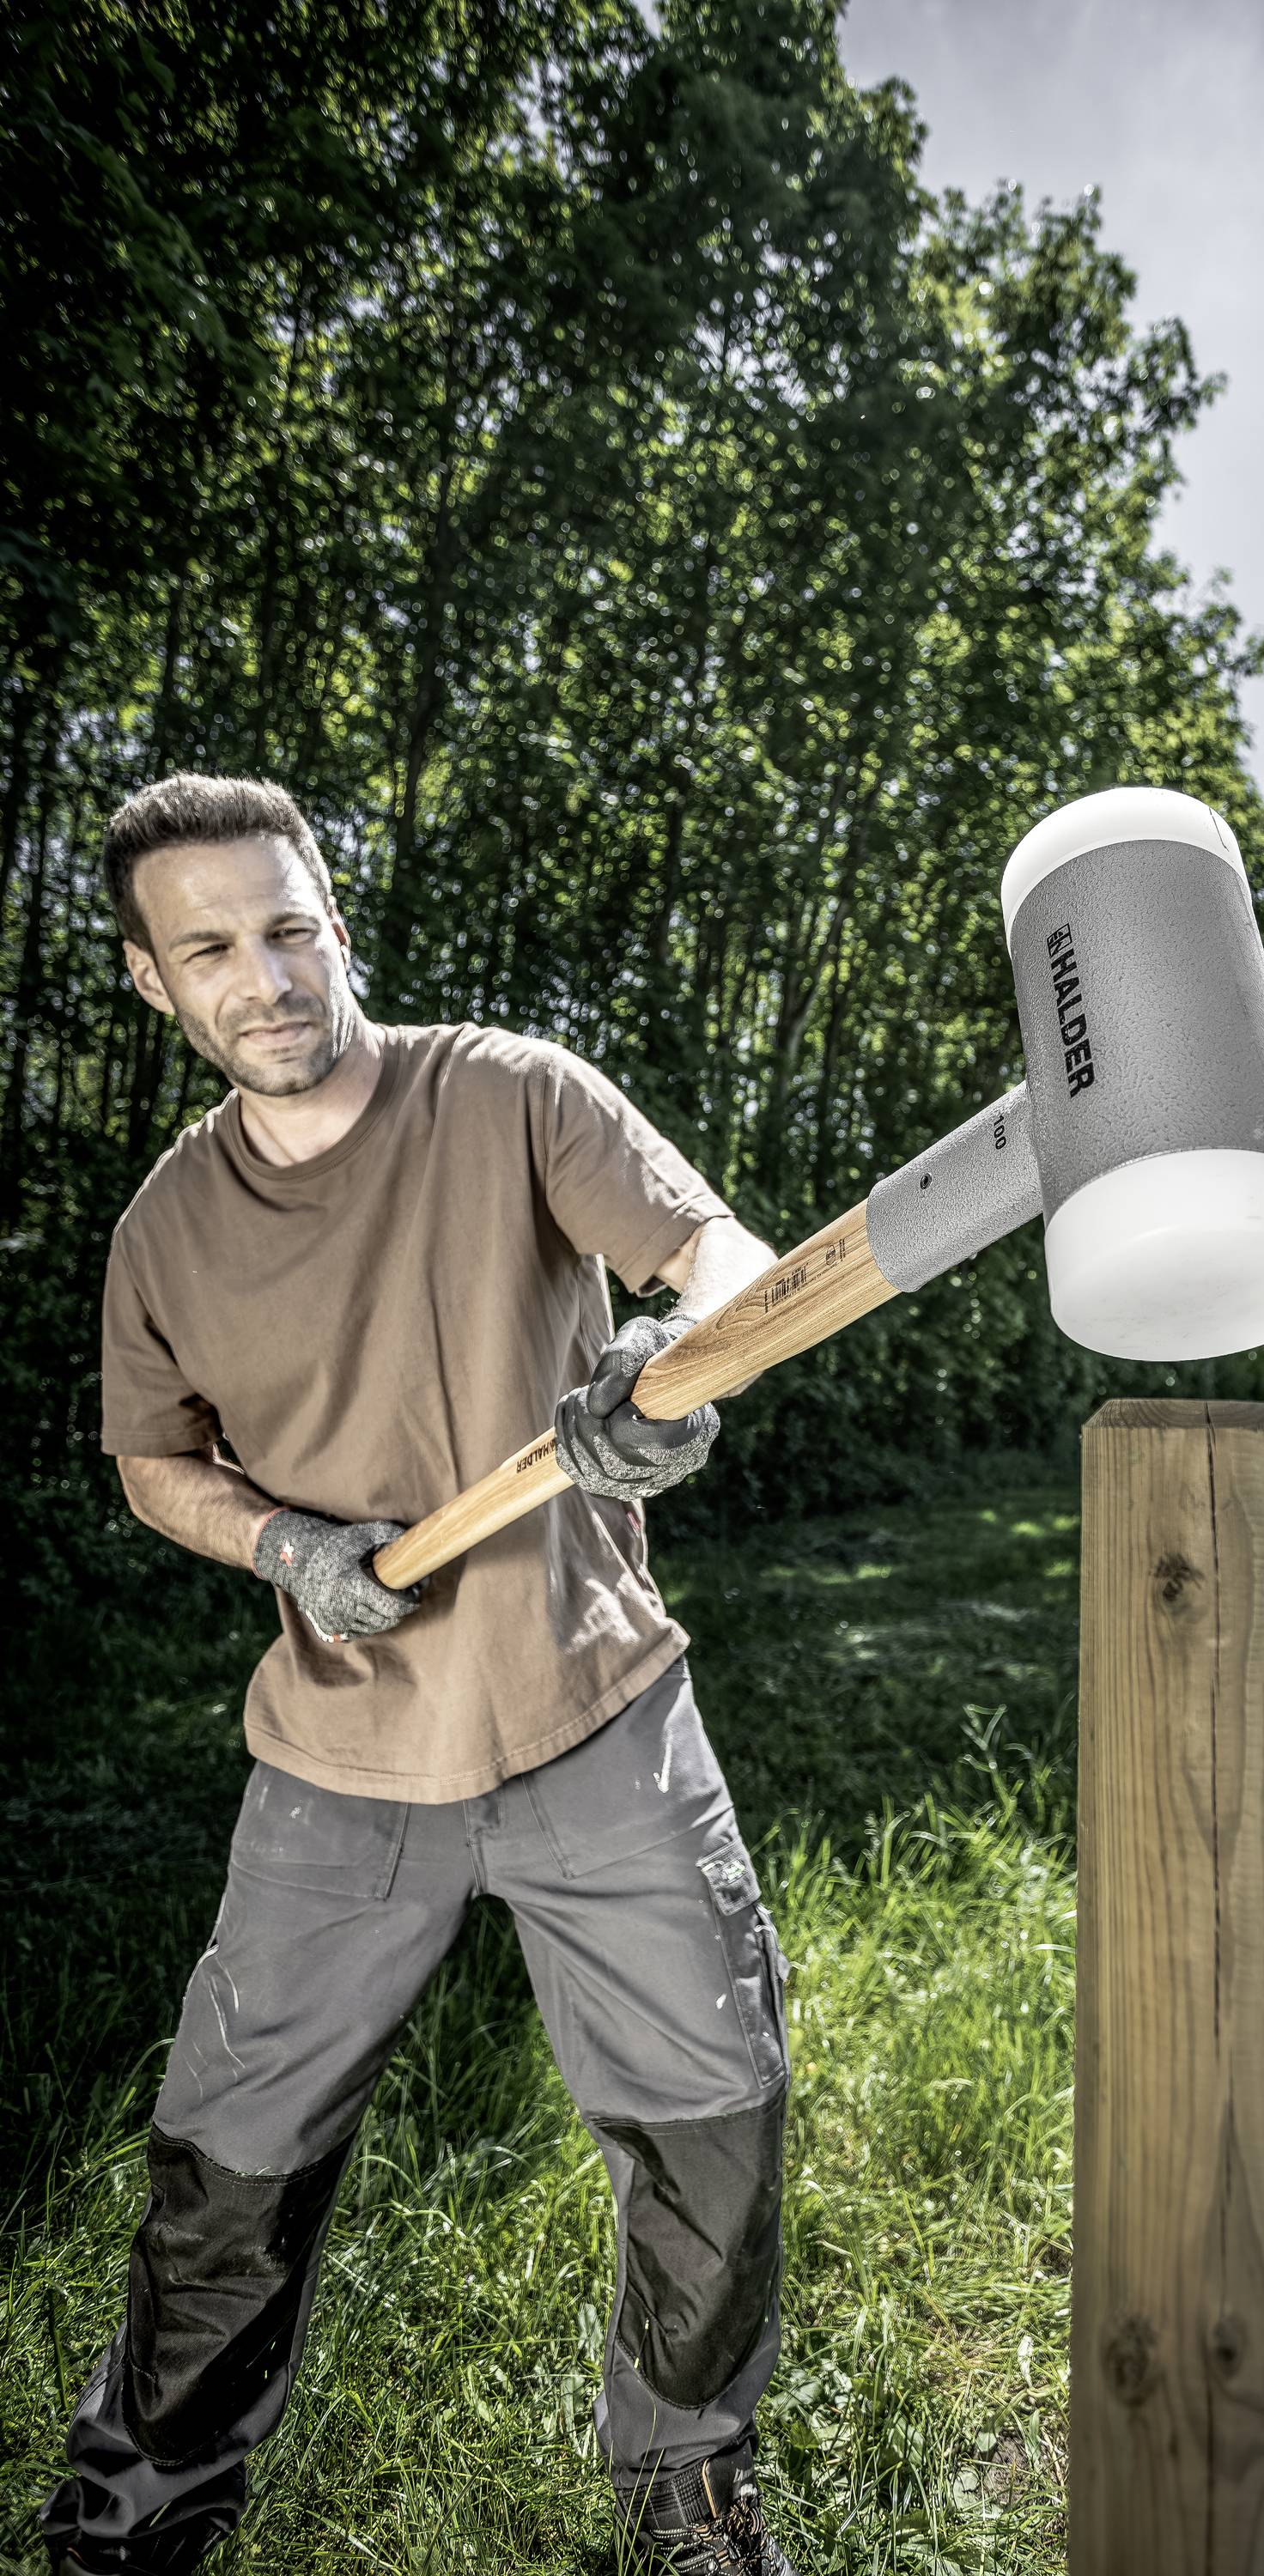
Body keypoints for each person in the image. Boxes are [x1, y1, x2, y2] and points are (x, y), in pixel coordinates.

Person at [41, 774, 795, 2576]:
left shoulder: (512, 1097)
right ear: (157, 987)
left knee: (716, 2122)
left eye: (290, 927)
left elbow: (731, 1260)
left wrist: (669, 1367)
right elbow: (156, 1462)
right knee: (224, 2175)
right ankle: (136, 2519)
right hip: (337, 1762)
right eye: (212, 946)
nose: (268, 973)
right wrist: (281, 1545)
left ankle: (685, 2497)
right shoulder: (162, 1233)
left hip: (591, 1710)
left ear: (338, 924)